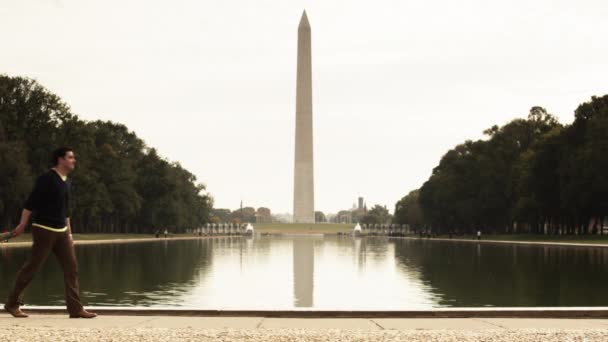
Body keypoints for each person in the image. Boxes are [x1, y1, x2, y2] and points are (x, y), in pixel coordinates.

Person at [3, 147, 97, 319]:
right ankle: (12, 304)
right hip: (44, 230)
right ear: (60, 160)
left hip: (62, 231)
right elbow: (30, 203)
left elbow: (66, 210)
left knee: (71, 268)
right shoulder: (46, 179)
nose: (73, 160)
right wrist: (22, 224)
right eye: (70, 157)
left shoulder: (67, 180)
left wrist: (69, 234)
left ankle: (75, 309)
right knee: (32, 268)